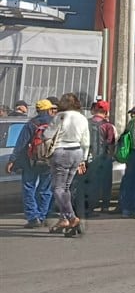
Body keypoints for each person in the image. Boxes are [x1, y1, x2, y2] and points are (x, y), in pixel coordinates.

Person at [5, 99, 56, 228]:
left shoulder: (31, 124)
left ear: (38, 110)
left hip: (31, 161)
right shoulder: (55, 123)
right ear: (49, 110)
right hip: (49, 161)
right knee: (45, 189)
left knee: (29, 188)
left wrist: (12, 160)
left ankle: (33, 217)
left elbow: (21, 144)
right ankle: (42, 216)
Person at [45, 93, 90, 232]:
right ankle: (64, 219)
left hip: (61, 151)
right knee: (66, 187)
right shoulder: (82, 118)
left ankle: (71, 217)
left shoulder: (60, 116)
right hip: (77, 151)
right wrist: (83, 159)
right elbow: (86, 141)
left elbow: (47, 135)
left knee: (57, 188)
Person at [85, 100, 116, 215]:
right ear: (106, 111)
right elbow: (111, 142)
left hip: (88, 157)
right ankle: (105, 206)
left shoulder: (86, 123)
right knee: (106, 182)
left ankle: (90, 207)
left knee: (90, 182)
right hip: (104, 157)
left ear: (95, 109)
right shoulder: (108, 125)